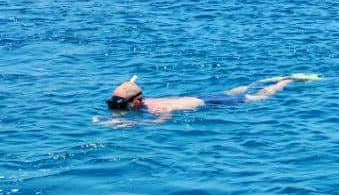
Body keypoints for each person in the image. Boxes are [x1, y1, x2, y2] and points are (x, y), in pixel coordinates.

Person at [106, 73, 318, 117]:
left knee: (259, 98)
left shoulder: (155, 107)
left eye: (119, 105)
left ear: (135, 102)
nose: (116, 108)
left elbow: (164, 116)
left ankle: (285, 81)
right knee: (232, 91)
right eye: (113, 105)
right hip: (199, 97)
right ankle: (266, 79)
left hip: (210, 103)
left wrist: (154, 124)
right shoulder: (145, 102)